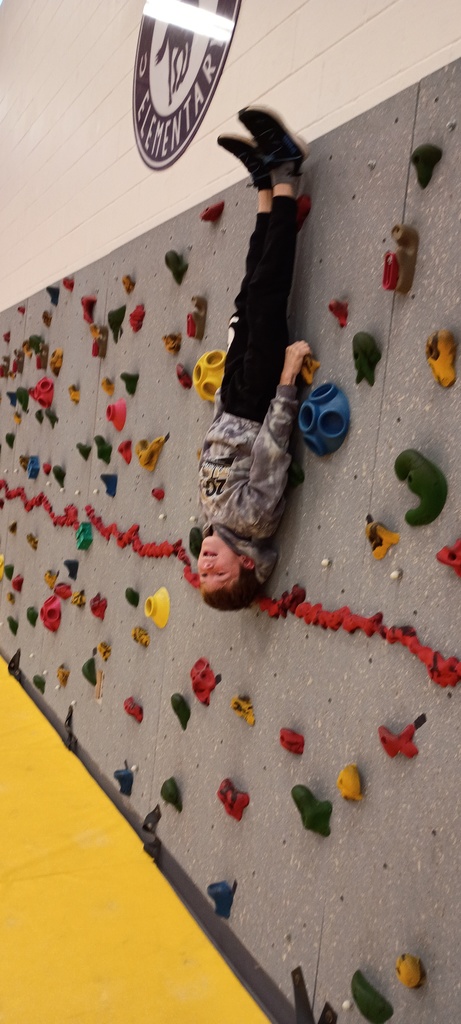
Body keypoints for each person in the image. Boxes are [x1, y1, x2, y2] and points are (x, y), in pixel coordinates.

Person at [197, 108, 311, 610]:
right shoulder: (255, 522)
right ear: (246, 563)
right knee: (267, 291)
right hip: (262, 394)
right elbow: (270, 453)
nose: (204, 565)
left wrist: (222, 395)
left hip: (233, 396)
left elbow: (217, 447)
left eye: (200, 572)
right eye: (216, 574)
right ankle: (286, 173)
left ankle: (264, 188)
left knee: (248, 293)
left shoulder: (213, 517)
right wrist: (286, 382)